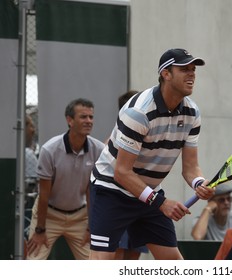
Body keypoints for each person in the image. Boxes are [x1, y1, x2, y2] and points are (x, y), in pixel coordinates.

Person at [89, 48, 215, 260]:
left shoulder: (192, 113)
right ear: (166, 73)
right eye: (184, 69)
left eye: (193, 69)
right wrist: (161, 203)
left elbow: (191, 168)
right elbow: (122, 173)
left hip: (147, 194)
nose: (192, 74)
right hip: (111, 191)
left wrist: (199, 184)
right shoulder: (139, 112)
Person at [26, 98, 104, 260]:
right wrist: (40, 230)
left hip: (80, 218)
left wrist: (92, 227)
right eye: (83, 117)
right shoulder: (50, 150)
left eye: (91, 117)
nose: (89, 121)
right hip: (48, 217)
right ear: (69, 120)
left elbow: (92, 191)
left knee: (96, 264)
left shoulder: (98, 150)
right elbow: (44, 194)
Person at [113, 90, 149, 260]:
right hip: (118, 205)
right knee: (116, 256)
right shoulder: (112, 144)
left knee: (133, 258)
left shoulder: (147, 138)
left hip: (141, 203)